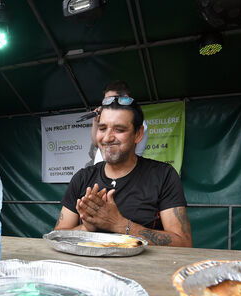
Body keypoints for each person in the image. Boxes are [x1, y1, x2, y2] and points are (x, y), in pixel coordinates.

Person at [55, 96, 193, 247]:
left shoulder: (163, 175)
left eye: (119, 129)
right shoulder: (83, 177)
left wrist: (119, 224)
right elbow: (58, 236)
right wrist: (87, 227)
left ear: (138, 134)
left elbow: (184, 244)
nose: (107, 137)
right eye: (102, 128)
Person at [87, 80, 148, 166]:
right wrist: (95, 121)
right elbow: (96, 143)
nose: (108, 104)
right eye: (105, 100)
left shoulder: (135, 120)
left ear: (125, 97)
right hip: (101, 171)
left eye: (111, 99)